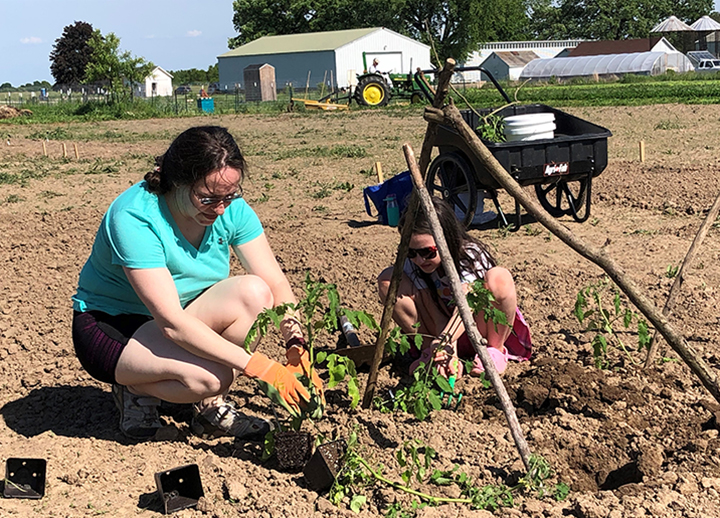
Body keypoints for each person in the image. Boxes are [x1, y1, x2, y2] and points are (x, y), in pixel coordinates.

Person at [72, 126, 322, 440]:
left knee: (256, 293)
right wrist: (260, 367)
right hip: (115, 327)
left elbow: (275, 282)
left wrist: (295, 346)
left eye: (229, 197)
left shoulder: (230, 210)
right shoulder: (136, 216)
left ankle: (209, 411)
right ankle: (134, 389)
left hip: (179, 317)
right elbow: (172, 323)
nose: (219, 209)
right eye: (207, 198)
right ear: (175, 181)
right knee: (211, 378)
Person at [377, 197, 531, 379]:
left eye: (428, 252)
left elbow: (466, 307)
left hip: (479, 328)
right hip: (438, 331)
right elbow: (434, 312)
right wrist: (446, 350)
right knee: (388, 280)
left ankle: (494, 350)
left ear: (447, 240)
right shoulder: (415, 266)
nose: (419, 260)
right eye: (411, 252)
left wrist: (446, 340)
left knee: (499, 278)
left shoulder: (469, 256)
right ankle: (431, 354)